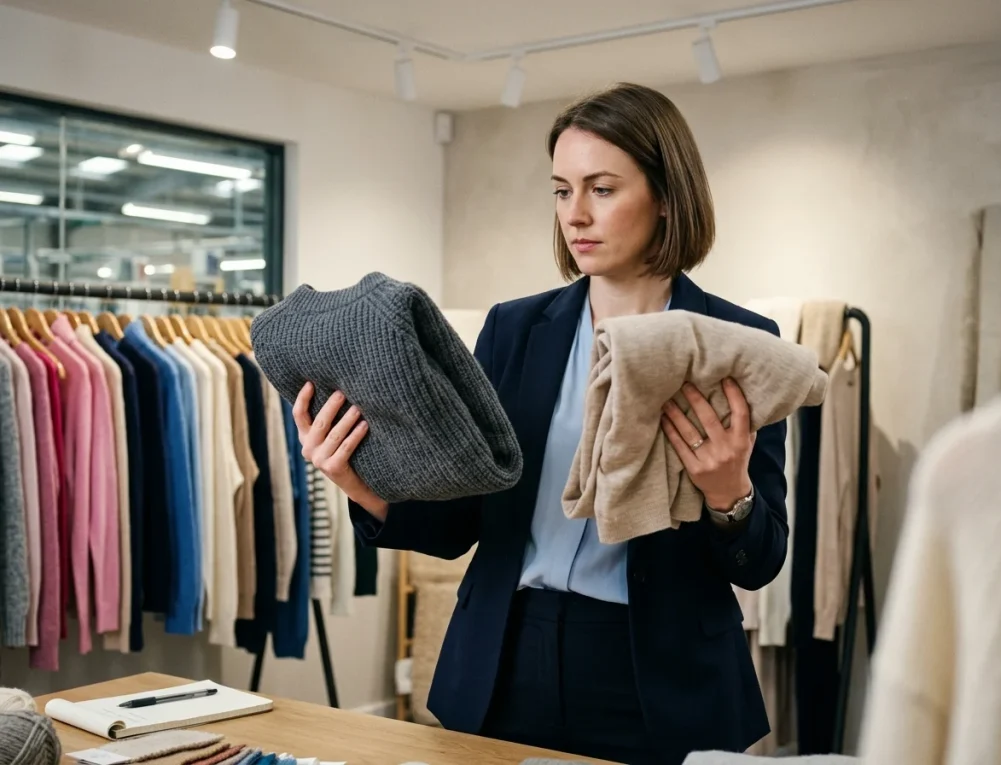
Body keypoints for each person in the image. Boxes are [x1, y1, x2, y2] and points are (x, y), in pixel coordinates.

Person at [291, 82, 788, 765]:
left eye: (602, 189)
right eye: (561, 190)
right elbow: (461, 521)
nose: (575, 214)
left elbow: (760, 561)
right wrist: (358, 480)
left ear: (667, 195)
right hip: (504, 658)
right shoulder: (513, 329)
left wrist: (730, 493)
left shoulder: (739, 340)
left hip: (658, 679)